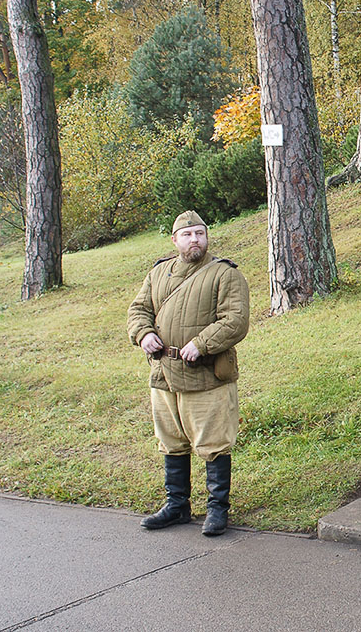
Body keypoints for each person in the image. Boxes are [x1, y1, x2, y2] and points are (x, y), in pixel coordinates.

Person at [127, 211, 250, 536]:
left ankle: (216, 509)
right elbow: (138, 310)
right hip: (164, 375)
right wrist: (143, 334)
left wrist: (202, 343)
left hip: (205, 375)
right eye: (187, 234)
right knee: (171, 442)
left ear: (207, 237)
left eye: (199, 233)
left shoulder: (225, 274)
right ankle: (177, 505)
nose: (194, 239)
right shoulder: (158, 274)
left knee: (213, 443)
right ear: (175, 240)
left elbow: (236, 319)